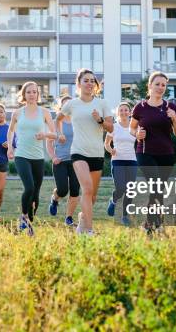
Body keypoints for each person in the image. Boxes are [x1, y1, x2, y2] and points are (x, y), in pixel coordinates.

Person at [56, 69, 113, 235]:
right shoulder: (72, 104)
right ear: (78, 83)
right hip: (78, 152)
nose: (89, 83)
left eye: (92, 81)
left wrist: (100, 120)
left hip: (96, 153)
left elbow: (111, 127)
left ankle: (82, 222)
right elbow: (58, 118)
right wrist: (59, 133)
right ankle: (89, 230)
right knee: (86, 189)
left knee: (92, 196)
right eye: (85, 80)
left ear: (95, 85)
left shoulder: (102, 104)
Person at [130, 71, 176, 236]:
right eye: (157, 84)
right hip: (145, 152)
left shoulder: (171, 107)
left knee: (159, 190)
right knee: (156, 185)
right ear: (150, 86)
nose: (160, 88)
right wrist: (137, 134)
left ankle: (150, 224)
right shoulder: (140, 107)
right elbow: (132, 128)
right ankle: (154, 225)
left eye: (163, 85)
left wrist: (174, 119)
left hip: (166, 154)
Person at [7, 82, 56, 236]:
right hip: (21, 155)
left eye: (34, 92)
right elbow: (10, 132)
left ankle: (29, 222)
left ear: (38, 94)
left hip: (38, 157)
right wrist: (10, 147)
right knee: (29, 187)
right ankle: (24, 217)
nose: (32, 94)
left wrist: (45, 135)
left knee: (35, 194)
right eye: (28, 92)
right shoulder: (17, 113)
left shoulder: (45, 112)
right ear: (24, 94)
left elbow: (54, 134)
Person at [46, 95, 80, 226]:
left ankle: (69, 218)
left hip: (76, 160)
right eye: (64, 105)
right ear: (60, 108)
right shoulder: (56, 123)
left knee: (75, 190)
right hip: (60, 161)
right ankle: (55, 199)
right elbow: (49, 142)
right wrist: (53, 157)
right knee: (62, 190)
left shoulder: (78, 122)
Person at [104, 102, 137, 227]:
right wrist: (110, 150)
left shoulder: (135, 127)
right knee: (121, 188)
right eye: (121, 110)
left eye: (126, 110)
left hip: (132, 161)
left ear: (130, 112)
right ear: (118, 113)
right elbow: (106, 143)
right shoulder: (114, 127)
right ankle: (113, 201)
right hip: (117, 160)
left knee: (130, 190)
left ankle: (124, 216)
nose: (123, 112)